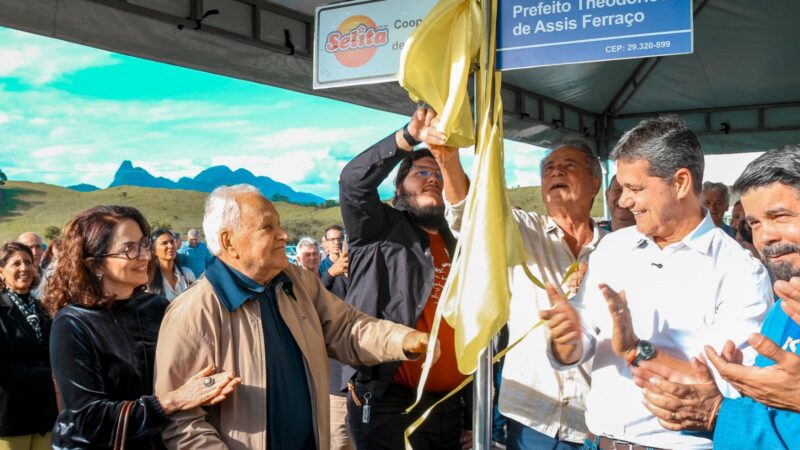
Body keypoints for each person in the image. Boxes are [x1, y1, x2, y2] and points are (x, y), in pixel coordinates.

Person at [542, 116, 773, 449]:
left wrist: (638, 351)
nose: (622, 201)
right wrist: (566, 339)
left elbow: (728, 386)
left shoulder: (739, 270)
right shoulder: (613, 248)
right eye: (621, 189)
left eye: (635, 189)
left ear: (680, 183)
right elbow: (584, 336)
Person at [154, 184, 434, 450]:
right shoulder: (192, 314)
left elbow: (347, 328)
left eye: (279, 225)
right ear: (229, 241)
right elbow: (182, 423)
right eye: (268, 227)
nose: (284, 235)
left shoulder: (298, 283)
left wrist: (404, 339)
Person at [439, 138, 606, 449]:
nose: (557, 173)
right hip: (533, 417)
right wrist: (447, 159)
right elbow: (471, 215)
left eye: (569, 166)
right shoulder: (521, 229)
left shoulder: (615, 249)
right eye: (549, 170)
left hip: (594, 422)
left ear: (595, 182)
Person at [631, 145, 800, 449]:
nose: (766, 236)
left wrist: (716, 414)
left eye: (780, 216)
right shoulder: (782, 309)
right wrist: (736, 392)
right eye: (755, 223)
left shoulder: (742, 270)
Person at [45, 205, 240, 449]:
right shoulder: (73, 323)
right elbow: (90, 419)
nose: (145, 256)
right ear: (94, 263)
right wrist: (173, 400)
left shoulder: (158, 308)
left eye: (144, 244)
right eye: (129, 249)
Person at [340, 108, 470, 450]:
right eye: (422, 172)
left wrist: (470, 413)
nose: (434, 180)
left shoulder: (461, 241)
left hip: (451, 405)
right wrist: (409, 136)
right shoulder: (377, 229)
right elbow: (352, 181)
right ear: (399, 185)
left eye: (441, 175)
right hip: (390, 402)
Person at [0, 242, 57, 450]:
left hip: (46, 417)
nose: (24, 268)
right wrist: (49, 376)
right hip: (11, 418)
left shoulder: (45, 307)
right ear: (1, 271)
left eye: (28, 262)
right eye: (16, 263)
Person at [148, 228, 196, 301]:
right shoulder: (149, 282)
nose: (170, 246)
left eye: (172, 242)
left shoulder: (187, 274)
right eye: (164, 243)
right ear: (154, 251)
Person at [16, 233, 45, 299]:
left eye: (38, 247)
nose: (35, 252)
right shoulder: (14, 279)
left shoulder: (51, 276)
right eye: (29, 247)